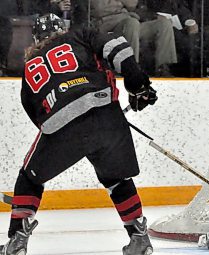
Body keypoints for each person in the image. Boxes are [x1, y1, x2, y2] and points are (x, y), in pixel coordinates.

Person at [0, 13, 157, 255]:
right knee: (117, 179)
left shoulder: (29, 68)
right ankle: (139, 238)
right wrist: (137, 85)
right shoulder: (79, 35)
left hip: (61, 126)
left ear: (36, 37)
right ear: (62, 29)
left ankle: (17, 241)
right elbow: (117, 46)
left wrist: (73, 132)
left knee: (29, 178)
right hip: (106, 115)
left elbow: (37, 117)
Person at [90, 0, 177, 77]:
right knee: (132, 23)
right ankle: (131, 69)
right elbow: (99, 9)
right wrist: (123, 5)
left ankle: (163, 67)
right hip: (107, 25)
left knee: (164, 24)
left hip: (130, 21)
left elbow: (132, 4)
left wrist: (115, 4)